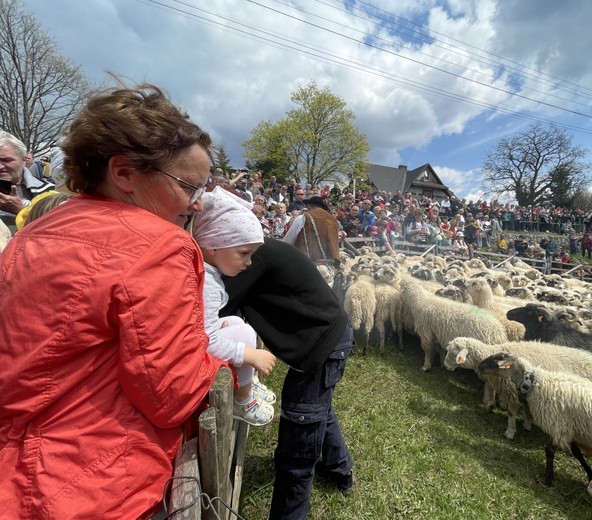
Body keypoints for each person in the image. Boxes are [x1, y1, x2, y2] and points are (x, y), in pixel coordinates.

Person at [0, 82, 226, 519]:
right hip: (91, 480)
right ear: (123, 173)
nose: (196, 205)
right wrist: (222, 365)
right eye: (188, 187)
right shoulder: (160, 247)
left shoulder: (32, 233)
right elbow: (170, 395)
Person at [219, 238, 354, 520]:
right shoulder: (255, 249)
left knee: (299, 436)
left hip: (321, 344)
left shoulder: (249, 255)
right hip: (330, 336)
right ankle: (340, 471)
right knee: (318, 408)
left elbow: (218, 309)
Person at [193, 187, 277, 426]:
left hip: (194, 344)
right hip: (193, 354)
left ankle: (247, 384)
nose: (249, 263)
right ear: (213, 245)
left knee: (237, 322)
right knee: (244, 332)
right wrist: (250, 355)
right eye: (244, 253)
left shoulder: (208, 273)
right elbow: (205, 339)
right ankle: (243, 400)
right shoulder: (207, 283)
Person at [0, 131, 55, 231]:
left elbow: (57, 229)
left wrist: (20, 210)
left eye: (6, 160)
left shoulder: (49, 191)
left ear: (24, 161)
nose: (0, 166)